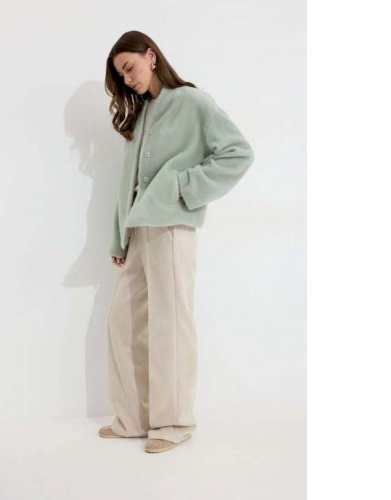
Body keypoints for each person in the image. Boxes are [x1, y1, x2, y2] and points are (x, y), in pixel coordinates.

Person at [100, 31, 255, 454]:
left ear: (151, 55)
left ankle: (173, 422)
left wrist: (184, 188)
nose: (127, 79)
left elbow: (238, 153)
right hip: (140, 229)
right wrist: (118, 238)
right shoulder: (142, 113)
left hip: (171, 226)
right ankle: (134, 418)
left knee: (169, 324)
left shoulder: (192, 102)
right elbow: (126, 184)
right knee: (123, 323)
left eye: (129, 67)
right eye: (121, 75)